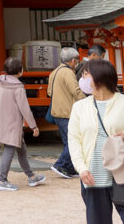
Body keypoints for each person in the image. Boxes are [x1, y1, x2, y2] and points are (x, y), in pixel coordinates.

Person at [69, 59, 124, 223]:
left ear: (99, 77)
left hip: (121, 173)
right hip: (93, 175)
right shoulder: (80, 107)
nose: (82, 79)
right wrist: (81, 168)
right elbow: (74, 140)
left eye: (86, 75)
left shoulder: (122, 103)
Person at [0, 57, 45, 191]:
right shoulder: (18, 87)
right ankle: (2, 180)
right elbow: (25, 108)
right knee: (9, 150)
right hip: (14, 124)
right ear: (20, 71)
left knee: (21, 150)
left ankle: (31, 176)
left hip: (3, 122)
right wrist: (34, 126)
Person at [49, 47, 87, 178]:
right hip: (67, 112)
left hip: (57, 111)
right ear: (72, 60)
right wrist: (86, 102)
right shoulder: (68, 73)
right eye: (77, 61)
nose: (76, 63)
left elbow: (49, 92)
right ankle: (61, 165)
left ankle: (70, 169)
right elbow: (75, 91)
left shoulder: (54, 72)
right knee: (72, 141)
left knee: (68, 140)